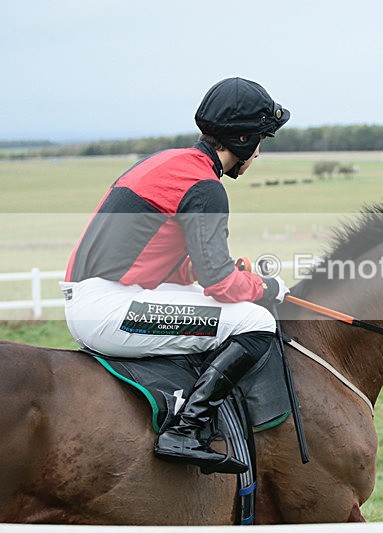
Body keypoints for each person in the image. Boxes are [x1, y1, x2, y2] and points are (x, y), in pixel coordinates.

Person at [59, 77, 290, 474]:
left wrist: (230, 276)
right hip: (110, 308)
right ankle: (185, 429)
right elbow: (218, 284)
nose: (259, 153)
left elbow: (180, 266)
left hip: (97, 298)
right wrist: (263, 288)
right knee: (257, 321)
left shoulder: (168, 163)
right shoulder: (205, 186)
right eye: (261, 141)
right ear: (242, 139)